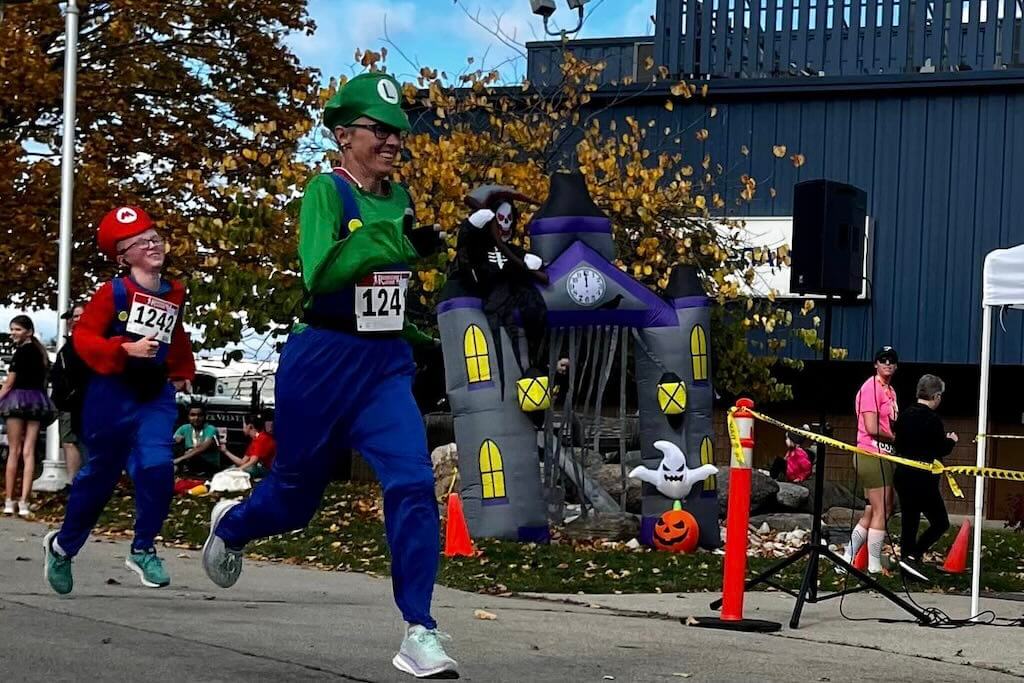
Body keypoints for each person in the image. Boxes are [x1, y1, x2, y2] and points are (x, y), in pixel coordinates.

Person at [200, 72, 457, 679]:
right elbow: (321, 273)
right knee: (295, 501)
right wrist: (396, 242)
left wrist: (419, 320)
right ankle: (233, 525)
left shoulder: (398, 198)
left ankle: (420, 628)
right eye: (379, 130)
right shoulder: (325, 192)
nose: (393, 141)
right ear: (344, 136)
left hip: (382, 366)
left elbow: (387, 289)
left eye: (399, 132)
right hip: (320, 365)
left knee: (414, 483)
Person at [43, 206, 195, 594]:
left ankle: (143, 546)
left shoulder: (174, 291)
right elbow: (84, 340)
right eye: (140, 243)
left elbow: (174, 335)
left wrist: (182, 371)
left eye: (155, 238)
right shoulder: (112, 293)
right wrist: (123, 348)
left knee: (158, 466)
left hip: (153, 394)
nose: (152, 245)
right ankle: (62, 548)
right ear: (123, 257)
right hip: (110, 396)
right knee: (99, 479)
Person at [893, 374, 956, 582]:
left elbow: (898, 444)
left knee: (909, 522)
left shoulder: (904, 416)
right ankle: (914, 554)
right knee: (940, 522)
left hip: (903, 475)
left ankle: (906, 565)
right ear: (936, 396)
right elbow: (940, 448)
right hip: (923, 479)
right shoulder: (932, 420)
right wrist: (951, 441)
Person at [842, 345, 899, 574]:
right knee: (882, 509)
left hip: (885, 453)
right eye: (882, 360)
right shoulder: (870, 388)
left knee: (871, 510)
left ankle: (847, 557)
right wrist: (896, 436)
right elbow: (871, 426)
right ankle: (874, 565)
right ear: (875, 364)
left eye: (891, 360)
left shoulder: (890, 391)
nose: (887, 364)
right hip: (871, 452)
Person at [1, 314, 57, 517]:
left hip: (16, 401)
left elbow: (9, 383)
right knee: (29, 451)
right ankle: (24, 500)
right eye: (12, 329)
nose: (13, 333)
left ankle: (9, 500)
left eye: (16, 329)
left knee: (14, 450)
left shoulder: (20, 354)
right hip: (37, 402)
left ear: (28, 332)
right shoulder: (40, 354)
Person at [50, 303, 87, 480]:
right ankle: (76, 482)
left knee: (73, 441)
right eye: (75, 316)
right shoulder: (68, 347)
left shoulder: (88, 345)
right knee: (70, 440)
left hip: (80, 403)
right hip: (68, 402)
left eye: (81, 316)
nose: (76, 320)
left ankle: (77, 482)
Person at [173, 404, 221, 477]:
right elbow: (171, 442)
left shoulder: (211, 429)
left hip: (209, 466)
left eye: (200, 415)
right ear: (188, 417)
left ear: (204, 416)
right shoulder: (184, 428)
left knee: (191, 454)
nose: (196, 418)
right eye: (193, 415)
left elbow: (201, 448)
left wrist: (179, 459)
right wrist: (175, 440)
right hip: (188, 463)